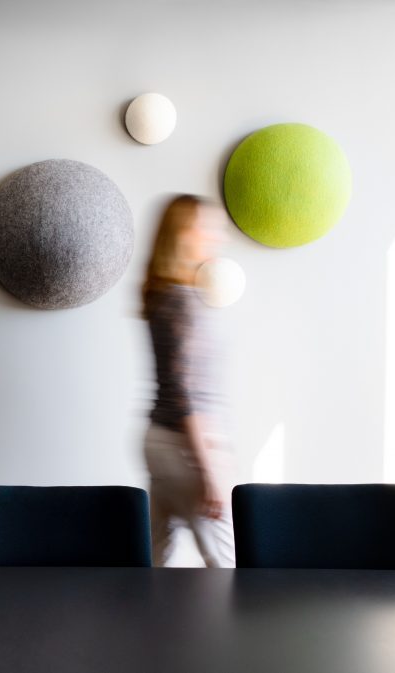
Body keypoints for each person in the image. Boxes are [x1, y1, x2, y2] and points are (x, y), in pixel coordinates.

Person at [142, 194, 235, 568]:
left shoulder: (163, 296)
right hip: (186, 446)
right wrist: (210, 471)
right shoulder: (183, 301)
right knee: (226, 564)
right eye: (207, 228)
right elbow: (186, 393)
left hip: (159, 440)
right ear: (182, 234)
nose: (218, 237)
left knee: (158, 560)